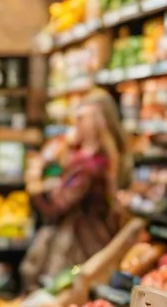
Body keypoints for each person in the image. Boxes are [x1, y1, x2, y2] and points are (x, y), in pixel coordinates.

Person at [20, 89, 132, 291]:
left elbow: (57, 206)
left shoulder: (89, 165)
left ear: (97, 123)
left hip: (78, 247)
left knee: (68, 291)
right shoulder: (97, 156)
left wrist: (35, 184)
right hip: (94, 242)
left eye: (82, 118)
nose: (75, 123)